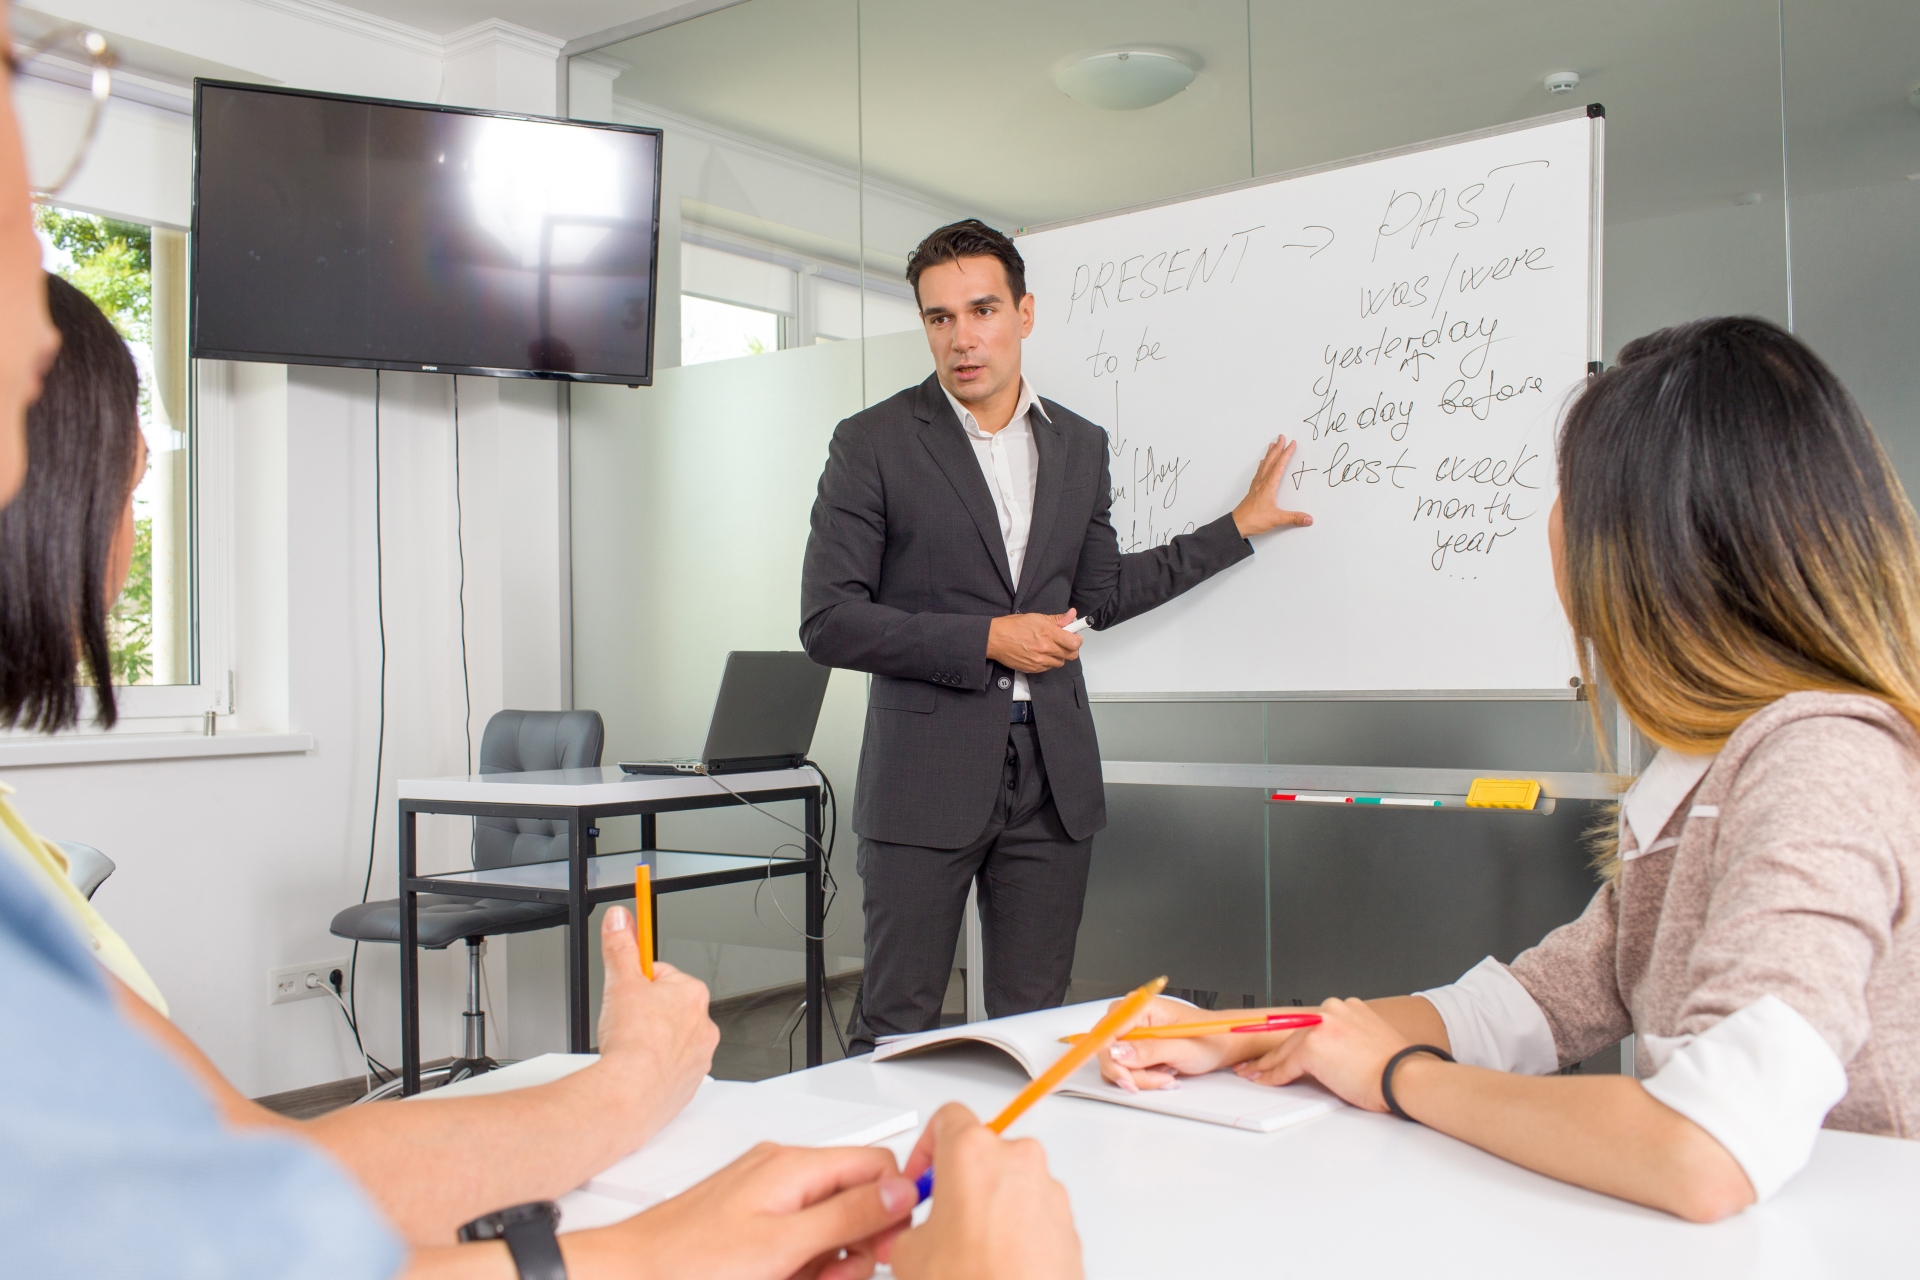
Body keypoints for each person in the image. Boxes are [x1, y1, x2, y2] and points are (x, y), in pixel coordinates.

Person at [1098, 315, 1920, 1222]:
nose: (1552, 527)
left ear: (1645, 544)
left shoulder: (1821, 757)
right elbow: (1529, 1009)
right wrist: (1252, 1034)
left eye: (1565, 493)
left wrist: (1396, 1078)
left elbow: (1708, 1145)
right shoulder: (1709, 766)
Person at [801, 219, 1312, 1052]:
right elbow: (829, 619)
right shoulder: (874, 444)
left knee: (1036, 1029)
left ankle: (1017, 1180)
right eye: (940, 319)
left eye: (983, 310)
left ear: (1024, 312)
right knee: (896, 1026)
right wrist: (987, 639)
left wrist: (1237, 528)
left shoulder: (1080, 444)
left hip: (1053, 777)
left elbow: (1103, 595)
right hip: (923, 782)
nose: (963, 339)